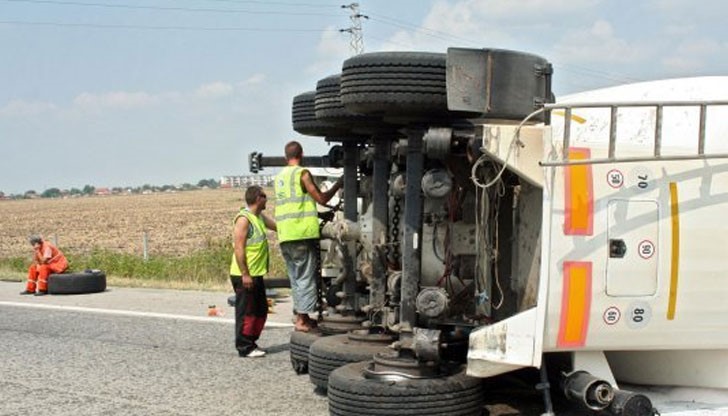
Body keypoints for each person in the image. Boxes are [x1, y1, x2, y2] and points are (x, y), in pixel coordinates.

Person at [275, 141, 343, 332]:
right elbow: (321, 199)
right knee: (305, 277)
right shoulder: (302, 174)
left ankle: (300, 315)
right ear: (302, 154)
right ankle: (302, 320)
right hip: (301, 234)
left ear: (285, 157)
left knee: (296, 278)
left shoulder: (279, 177)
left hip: (285, 234)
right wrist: (339, 184)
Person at [230, 185, 276, 358]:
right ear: (258, 198)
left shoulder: (259, 217)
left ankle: (251, 342)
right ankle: (244, 346)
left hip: (256, 273)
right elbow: (239, 249)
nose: (267, 199)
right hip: (244, 275)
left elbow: (277, 227)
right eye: (264, 196)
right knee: (247, 312)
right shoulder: (244, 219)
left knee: (260, 310)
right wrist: (245, 274)